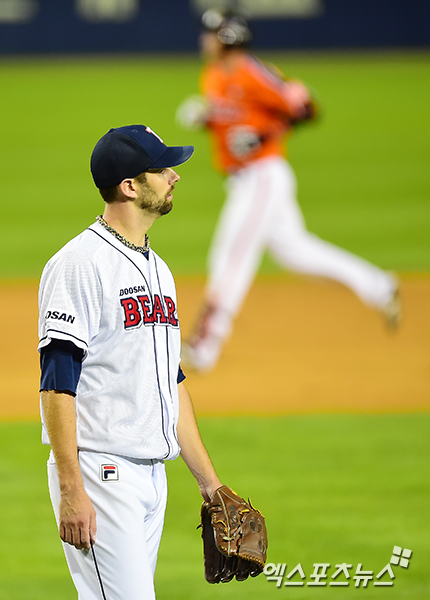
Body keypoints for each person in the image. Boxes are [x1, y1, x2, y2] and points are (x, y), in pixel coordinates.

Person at [38, 125, 224, 599]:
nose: (173, 177)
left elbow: (170, 380)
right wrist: (71, 488)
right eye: (162, 169)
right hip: (102, 473)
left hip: (151, 477)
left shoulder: (157, 269)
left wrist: (211, 484)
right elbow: (57, 382)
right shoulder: (79, 263)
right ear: (129, 186)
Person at [177, 9, 401, 373]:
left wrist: (265, 136)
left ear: (229, 37)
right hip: (246, 177)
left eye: (211, 33)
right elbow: (235, 120)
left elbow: (306, 107)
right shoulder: (215, 75)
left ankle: (205, 346)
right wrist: (207, 118)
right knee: (296, 252)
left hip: (262, 177)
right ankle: (378, 285)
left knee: (230, 258)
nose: (204, 39)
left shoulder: (253, 72)